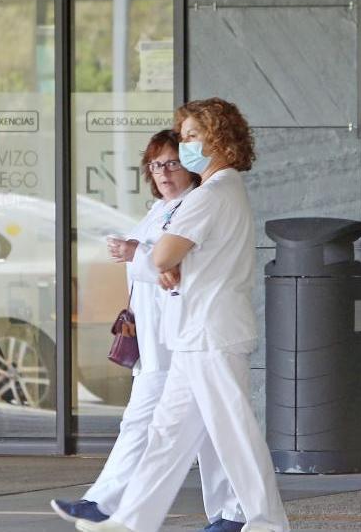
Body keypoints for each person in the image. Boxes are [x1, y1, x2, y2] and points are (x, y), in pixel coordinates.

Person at [77, 98, 289, 532]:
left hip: (212, 333)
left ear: (220, 140)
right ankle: (132, 520)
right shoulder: (220, 190)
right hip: (196, 333)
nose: (186, 145)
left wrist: (166, 259)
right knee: (168, 435)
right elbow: (169, 256)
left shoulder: (213, 192)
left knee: (234, 433)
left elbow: (165, 253)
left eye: (193, 136)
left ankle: (267, 522)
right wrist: (167, 259)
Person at [51, 129, 247, 532]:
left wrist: (135, 253)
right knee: (194, 426)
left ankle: (108, 504)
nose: (163, 172)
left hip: (185, 335)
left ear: (191, 166)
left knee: (169, 425)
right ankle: (228, 514)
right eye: (156, 165)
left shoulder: (199, 203)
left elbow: (172, 267)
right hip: (162, 339)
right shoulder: (161, 209)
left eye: (172, 163)